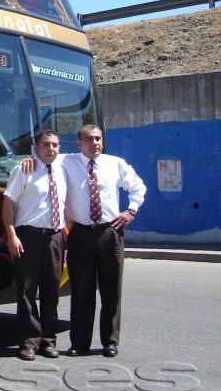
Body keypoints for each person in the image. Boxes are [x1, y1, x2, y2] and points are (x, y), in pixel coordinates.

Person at [20, 124, 146, 358]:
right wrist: (28, 158)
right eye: (89, 139)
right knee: (82, 291)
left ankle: (110, 341)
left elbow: (138, 187)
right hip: (80, 234)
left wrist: (131, 211)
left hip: (111, 233)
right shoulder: (66, 161)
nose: (95, 143)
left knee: (111, 291)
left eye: (98, 139)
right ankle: (80, 343)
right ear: (79, 143)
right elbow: (45, 153)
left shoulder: (115, 164)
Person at [2, 129, 66, 361]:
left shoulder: (64, 167)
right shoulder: (24, 169)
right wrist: (12, 236)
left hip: (55, 238)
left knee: (51, 291)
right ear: (36, 147)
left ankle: (49, 341)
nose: (51, 149)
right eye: (46, 145)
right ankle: (29, 342)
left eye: (55, 145)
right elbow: (8, 203)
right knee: (27, 292)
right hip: (27, 237)